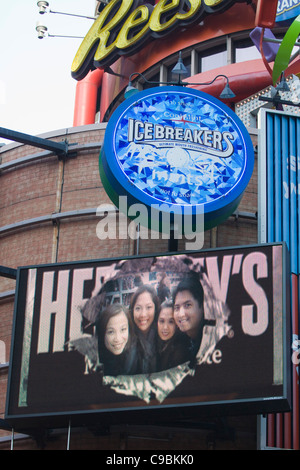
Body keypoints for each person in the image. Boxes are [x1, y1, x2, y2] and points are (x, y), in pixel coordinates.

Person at [95, 303, 138, 376]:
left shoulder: (136, 356)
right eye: (111, 332)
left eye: (123, 329)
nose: (117, 339)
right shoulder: (94, 361)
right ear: (102, 333)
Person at [172, 275, 205, 362]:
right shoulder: (180, 343)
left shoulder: (209, 343)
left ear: (202, 307)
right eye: (177, 308)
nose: (181, 314)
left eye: (187, 305)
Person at [130, 284, 160, 374]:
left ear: (155, 309)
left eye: (149, 307)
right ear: (132, 310)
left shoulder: (163, 335)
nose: (143, 314)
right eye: (138, 308)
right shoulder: (124, 338)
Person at [156, 300, 191, 371]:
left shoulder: (180, 352)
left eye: (171, 322)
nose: (165, 327)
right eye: (162, 321)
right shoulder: (156, 342)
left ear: (177, 324)